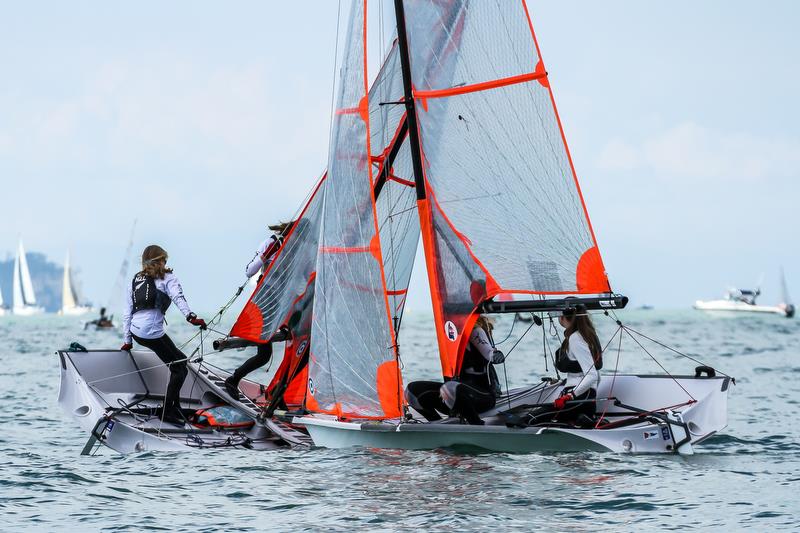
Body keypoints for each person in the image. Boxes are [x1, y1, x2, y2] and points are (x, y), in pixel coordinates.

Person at [120, 245, 207, 425]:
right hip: (152, 332)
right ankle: (167, 411)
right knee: (179, 368)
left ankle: (174, 407)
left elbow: (127, 313)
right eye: (164, 260)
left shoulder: (134, 280)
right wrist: (191, 317)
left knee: (180, 362)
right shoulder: (168, 277)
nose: (165, 263)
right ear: (159, 261)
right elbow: (178, 297)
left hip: (137, 333)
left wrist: (127, 341)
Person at [224, 222, 293, 398]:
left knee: (289, 351)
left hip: (281, 305)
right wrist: (265, 256)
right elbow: (249, 271)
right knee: (264, 355)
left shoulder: (296, 250)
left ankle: (281, 394)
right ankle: (233, 379)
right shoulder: (272, 243)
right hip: (265, 302)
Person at [405, 316, 505, 425]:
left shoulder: (475, 330)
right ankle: (438, 426)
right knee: (411, 391)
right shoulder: (450, 332)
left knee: (450, 388)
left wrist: (495, 355)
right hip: (453, 397)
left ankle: (476, 424)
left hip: (481, 397)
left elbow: (488, 352)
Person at [513, 307, 602, 427]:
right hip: (584, 398)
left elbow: (592, 375)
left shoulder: (576, 337)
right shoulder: (587, 334)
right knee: (549, 416)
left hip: (578, 398)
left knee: (527, 419)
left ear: (562, 317)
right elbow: (587, 372)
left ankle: (581, 418)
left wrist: (571, 395)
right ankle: (581, 418)